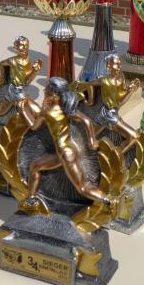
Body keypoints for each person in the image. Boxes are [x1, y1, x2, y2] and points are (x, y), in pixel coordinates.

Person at [22, 77, 111, 208]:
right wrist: (92, 140)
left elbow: (33, 126)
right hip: (65, 152)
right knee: (35, 166)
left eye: (47, 89)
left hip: (65, 153)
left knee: (82, 187)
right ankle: (31, 198)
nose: (44, 90)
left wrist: (23, 109)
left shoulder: (47, 113)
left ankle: (109, 201)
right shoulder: (66, 110)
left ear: (55, 95)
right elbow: (86, 121)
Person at [77, 54, 141, 154]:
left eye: (119, 64)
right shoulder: (105, 81)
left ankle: (114, 155)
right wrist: (91, 100)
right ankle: (116, 155)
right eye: (116, 64)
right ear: (108, 66)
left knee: (87, 137)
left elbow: (121, 98)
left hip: (110, 114)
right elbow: (90, 84)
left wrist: (130, 90)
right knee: (133, 136)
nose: (119, 67)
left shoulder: (120, 77)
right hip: (108, 115)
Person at [0, 36, 42, 123]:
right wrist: (2, 79)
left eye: (26, 45)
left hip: (19, 90)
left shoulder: (27, 59)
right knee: (31, 107)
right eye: (20, 45)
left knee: (1, 111)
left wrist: (35, 71)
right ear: (15, 48)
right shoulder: (13, 61)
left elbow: (27, 80)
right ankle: (35, 125)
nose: (24, 48)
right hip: (16, 92)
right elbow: (1, 64)